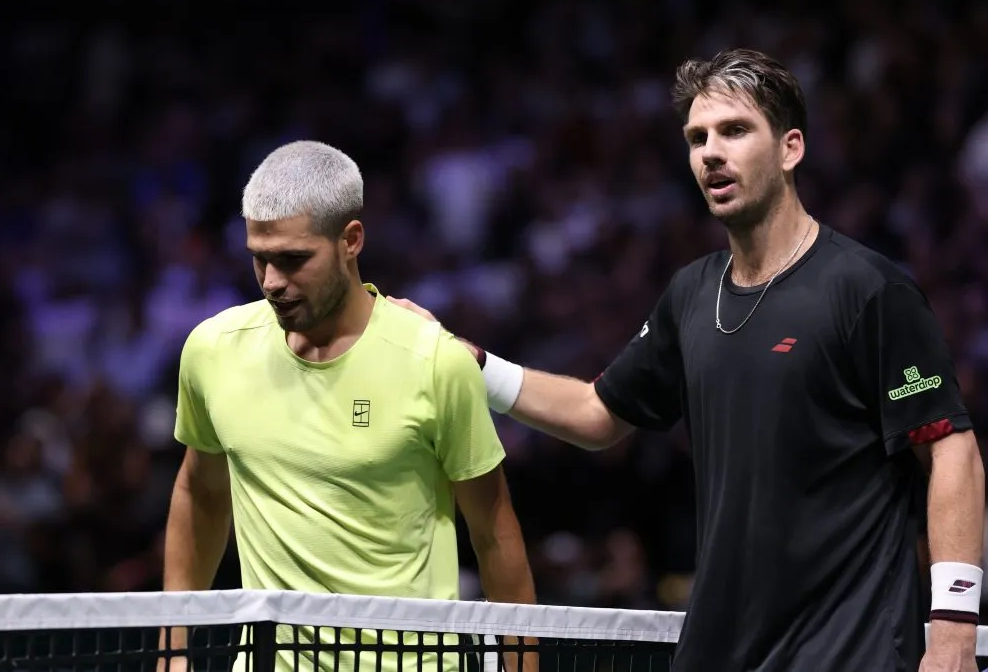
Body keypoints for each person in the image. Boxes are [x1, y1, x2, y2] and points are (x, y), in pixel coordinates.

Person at [388, 49, 985, 672]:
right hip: (721, 651)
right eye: (697, 137)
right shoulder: (692, 294)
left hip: (846, 651)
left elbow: (951, 450)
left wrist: (951, 631)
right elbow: (598, 413)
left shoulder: (868, 289)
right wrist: (471, 363)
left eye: (734, 131)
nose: (710, 153)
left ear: (791, 149)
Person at [159, 141, 537, 672]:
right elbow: (199, 492)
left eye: (293, 260)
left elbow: (494, 531)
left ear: (350, 241)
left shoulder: (434, 362)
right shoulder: (212, 350)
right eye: (259, 258)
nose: (271, 282)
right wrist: (173, 648)